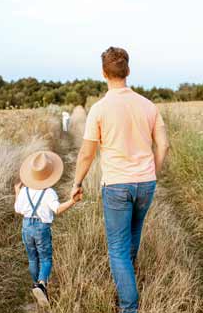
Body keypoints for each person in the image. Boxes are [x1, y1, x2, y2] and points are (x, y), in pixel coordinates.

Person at [70, 47, 170, 313]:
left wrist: (76, 183)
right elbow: (163, 146)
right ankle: (130, 280)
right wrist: (153, 173)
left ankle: (129, 306)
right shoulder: (149, 106)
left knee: (117, 248)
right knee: (133, 235)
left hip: (116, 185)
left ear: (104, 73)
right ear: (128, 71)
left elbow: (86, 154)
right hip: (145, 183)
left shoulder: (100, 109)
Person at [14, 150, 82, 307]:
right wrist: (73, 201)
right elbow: (57, 209)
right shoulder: (49, 192)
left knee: (32, 258)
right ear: (50, 174)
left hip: (26, 226)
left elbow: (18, 209)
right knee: (45, 258)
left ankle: (35, 285)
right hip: (41, 227)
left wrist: (17, 192)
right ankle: (41, 284)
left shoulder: (24, 190)